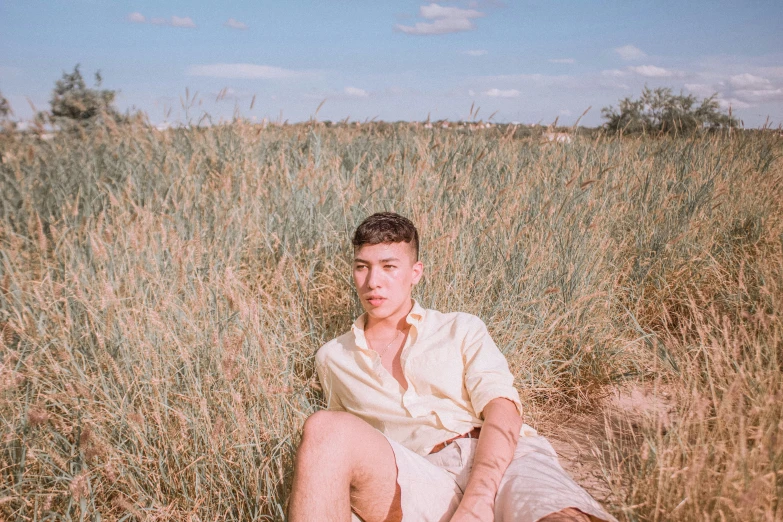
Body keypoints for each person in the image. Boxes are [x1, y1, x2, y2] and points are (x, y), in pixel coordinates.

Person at [288, 212, 616, 522]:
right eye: (362, 266)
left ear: (415, 272)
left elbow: (503, 410)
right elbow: (346, 454)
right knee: (325, 428)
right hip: (421, 476)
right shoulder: (334, 358)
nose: (373, 281)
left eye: (389, 266)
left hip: (502, 456)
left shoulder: (460, 328)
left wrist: (478, 500)